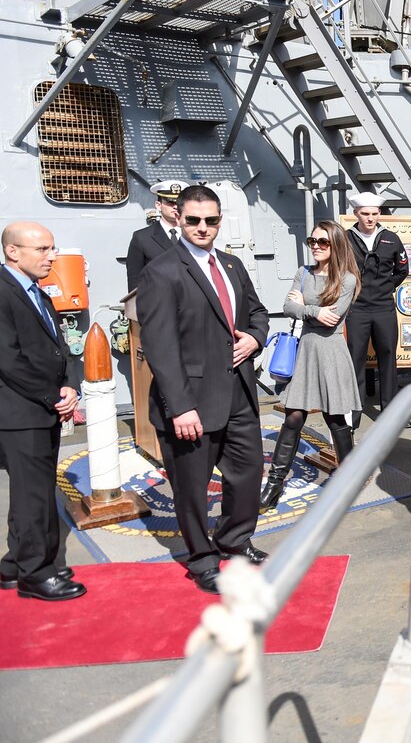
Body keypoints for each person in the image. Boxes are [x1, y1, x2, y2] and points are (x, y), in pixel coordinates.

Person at [137, 185, 270, 594]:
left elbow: (257, 311)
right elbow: (159, 345)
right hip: (191, 402)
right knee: (192, 488)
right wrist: (179, 406)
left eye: (210, 220)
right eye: (193, 219)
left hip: (239, 394)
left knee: (248, 473)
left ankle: (233, 539)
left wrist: (254, 338)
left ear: (219, 220)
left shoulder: (231, 265)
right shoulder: (161, 271)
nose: (202, 227)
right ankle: (202, 558)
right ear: (178, 217)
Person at [0, 222, 86, 601]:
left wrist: (69, 383)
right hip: (20, 413)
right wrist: (53, 396)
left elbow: (59, 347)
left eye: (52, 248)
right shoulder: (3, 292)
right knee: (34, 495)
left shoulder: (39, 292)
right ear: (13, 251)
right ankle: (36, 574)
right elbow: (8, 360)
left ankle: (15, 564)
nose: (52, 256)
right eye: (43, 249)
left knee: (32, 493)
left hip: (43, 407)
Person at [259, 221, 362, 511]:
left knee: (335, 418)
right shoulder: (303, 273)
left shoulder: (348, 279)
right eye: (312, 241)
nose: (315, 246)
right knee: (292, 417)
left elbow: (333, 320)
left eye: (322, 242)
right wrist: (314, 310)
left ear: (336, 245)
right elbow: (289, 307)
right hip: (305, 351)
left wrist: (305, 307)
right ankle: (274, 485)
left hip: (330, 354)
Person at [345, 194, 408, 415]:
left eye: (374, 214)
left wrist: (385, 287)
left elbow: (402, 270)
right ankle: (354, 411)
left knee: (388, 358)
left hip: (384, 308)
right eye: (365, 214)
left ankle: (390, 411)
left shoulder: (391, 238)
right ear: (356, 214)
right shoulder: (345, 239)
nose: (370, 219)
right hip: (357, 309)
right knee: (355, 359)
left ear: (379, 214)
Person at [125, 179, 189, 293]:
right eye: (170, 202)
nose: (175, 207)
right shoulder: (142, 238)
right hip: (158, 304)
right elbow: (135, 279)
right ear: (158, 205)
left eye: (179, 203)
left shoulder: (194, 234)